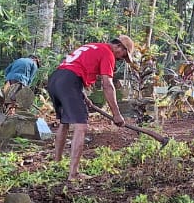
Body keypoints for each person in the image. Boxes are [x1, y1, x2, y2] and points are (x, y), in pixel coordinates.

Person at [47, 36, 134, 180]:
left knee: (64, 122)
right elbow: (107, 85)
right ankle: (73, 174)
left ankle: (57, 163)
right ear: (119, 47)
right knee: (81, 126)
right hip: (69, 82)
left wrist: (82, 95)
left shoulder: (93, 46)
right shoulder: (108, 53)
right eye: (123, 55)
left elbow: (73, 69)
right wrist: (116, 114)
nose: (120, 59)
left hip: (56, 79)